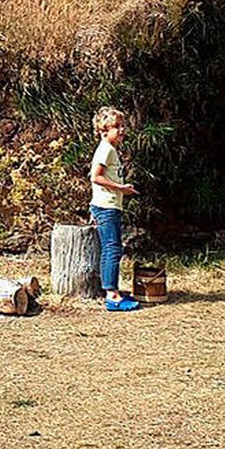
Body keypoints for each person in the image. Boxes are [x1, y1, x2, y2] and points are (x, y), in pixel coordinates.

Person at [89, 106, 139, 312]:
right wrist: (122, 188)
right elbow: (95, 177)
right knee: (112, 248)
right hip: (105, 206)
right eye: (116, 127)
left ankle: (112, 289)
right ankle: (112, 294)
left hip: (112, 205)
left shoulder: (111, 150)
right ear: (103, 131)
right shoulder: (105, 149)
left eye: (122, 126)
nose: (121, 130)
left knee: (113, 247)